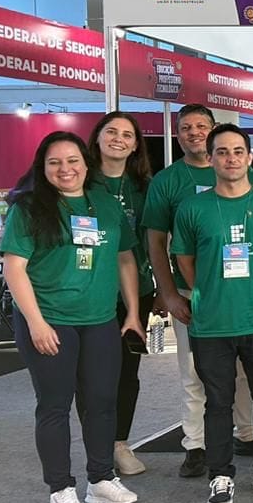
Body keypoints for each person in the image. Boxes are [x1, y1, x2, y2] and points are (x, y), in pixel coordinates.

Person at [1, 132, 144, 503]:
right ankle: (60, 487)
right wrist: (36, 323)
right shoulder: (30, 207)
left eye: (72, 160)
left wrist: (132, 312)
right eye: (55, 162)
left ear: (86, 163)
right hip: (50, 321)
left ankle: (101, 479)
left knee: (101, 403)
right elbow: (14, 268)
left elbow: (125, 258)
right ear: (43, 167)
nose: (65, 169)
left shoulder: (105, 204)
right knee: (55, 405)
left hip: (100, 320)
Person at [171, 124, 253, 503]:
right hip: (212, 323)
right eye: (222, 152)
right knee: (217, 402)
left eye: (238, 151)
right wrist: (209, 291)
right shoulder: (193, 208)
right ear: (210, 158)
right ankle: (220, 475)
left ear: (250, 157)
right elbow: (185, 261)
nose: (230, 158)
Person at [143, 103, 253, 478]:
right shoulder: (167, 181)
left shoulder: (243, 172)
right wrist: (169, 293)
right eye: (186, 127)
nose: (194, 133)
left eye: (201, 126)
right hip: (194, 296)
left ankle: (248, 434)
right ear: (177, 135)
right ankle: (196, 445)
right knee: (195, 372)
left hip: (240, 294)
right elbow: (157, 242)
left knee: (243, 370)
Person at [87, 112, 155, 477]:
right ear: (97, 138)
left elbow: (156, 240)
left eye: (127, 135)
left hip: (136, 293)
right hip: (88, 293)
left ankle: (119, 443)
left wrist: (162, 289)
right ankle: (96, 445)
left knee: (128, 371)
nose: (119, 139)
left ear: (135, 145)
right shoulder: (78, 180)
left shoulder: (145, 187)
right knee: (92, 374)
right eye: (111, 131)